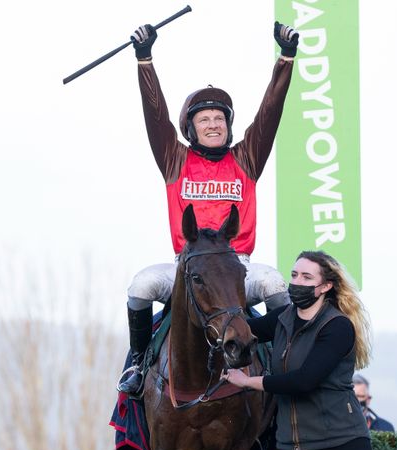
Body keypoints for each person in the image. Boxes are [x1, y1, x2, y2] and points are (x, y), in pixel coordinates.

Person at [117, 20, 300, 396]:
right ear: (191, 127)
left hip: (239, 267)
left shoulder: (247, 158)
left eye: (220, 119)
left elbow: (270, 113)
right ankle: (138, 361)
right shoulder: (174, 159)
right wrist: (144, 59)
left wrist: (286, 58)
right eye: (205, 119)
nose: (214, 124)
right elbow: (155, 117)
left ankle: (286, 358)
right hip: (188, 266)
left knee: (276, 284)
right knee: (141, 285)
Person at [225, 250, 380, 450]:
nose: (296, 282)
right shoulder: (282, 319)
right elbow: (243, 329)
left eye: (306, 277)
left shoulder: (337, 326)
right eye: (294, 275)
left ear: (325, 286)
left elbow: (305, 380)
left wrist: (249, 381)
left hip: (346, 443)